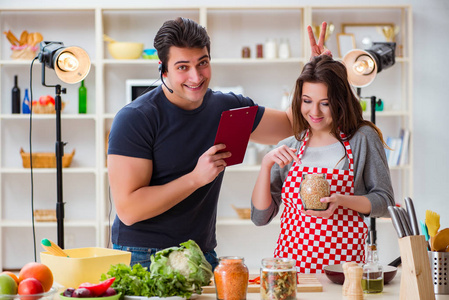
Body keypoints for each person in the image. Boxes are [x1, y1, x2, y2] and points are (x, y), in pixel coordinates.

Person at [107, 17, 330, 270]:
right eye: (183, 67)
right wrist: (196, 178)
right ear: (163, 69)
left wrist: (313, 74)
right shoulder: (136, 118)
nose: (196, 76)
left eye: (202, 63)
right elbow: (128, 209)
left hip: (201, 253)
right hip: (143, 255)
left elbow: (292, 125)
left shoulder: (228, 109)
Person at [251, 55, 394, 274]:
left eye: (325, 103)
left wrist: (343, 201)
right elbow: (260, 218)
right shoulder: (289, 146)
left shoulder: (362, 139)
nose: (314, 112)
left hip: (344, 272)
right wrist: (266, 165)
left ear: (340, 102)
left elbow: (384, 202)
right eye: (307, 101)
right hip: (291, 273)